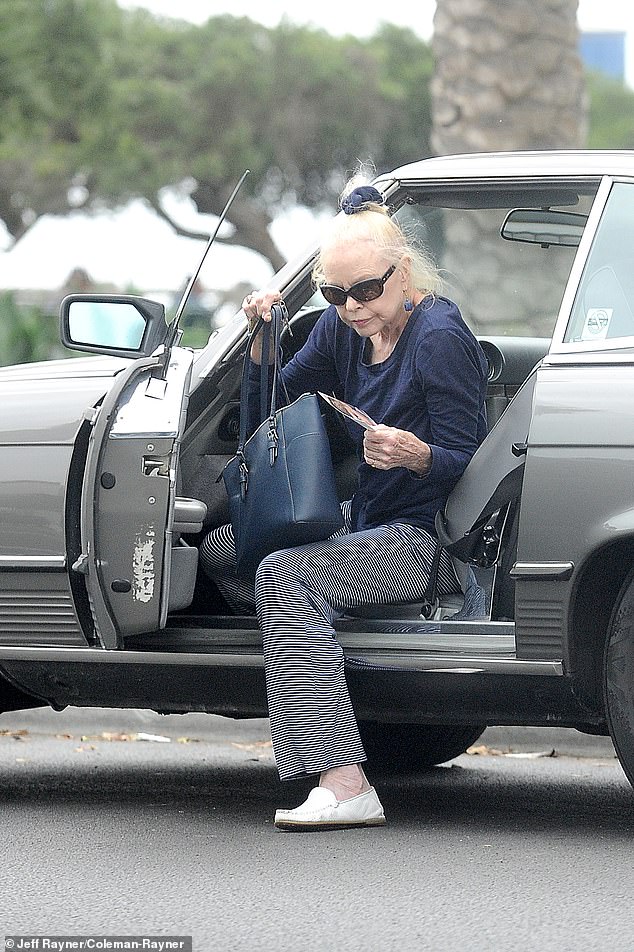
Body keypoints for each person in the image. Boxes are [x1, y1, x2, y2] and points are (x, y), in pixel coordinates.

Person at [201, 180, 489, 831]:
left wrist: (417, 455)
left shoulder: (439, 336)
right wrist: (263, 337)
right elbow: (276, 402)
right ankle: (319, 637)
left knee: (281, 573)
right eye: (335, 293)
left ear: (404, 271)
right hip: (360, 529)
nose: (353, 306)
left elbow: (468, 470)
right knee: (219, 551)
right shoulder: (340, 328)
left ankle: (344, 781)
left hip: (426, 544)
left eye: (367, 290)